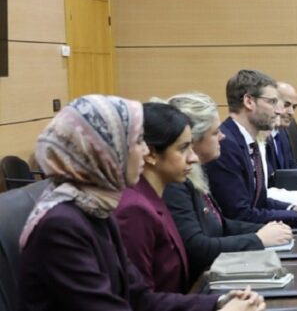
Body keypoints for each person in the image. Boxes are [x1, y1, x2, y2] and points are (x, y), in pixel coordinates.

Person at [17, 95, 263, 311]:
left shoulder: (97, 207)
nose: (145, 151)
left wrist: (218, 302)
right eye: (136, 142)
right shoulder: (62, 225)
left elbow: (140, 299)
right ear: (103, 150)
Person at [162, 92, 293, 286]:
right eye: (215, 133)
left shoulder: (193, 174)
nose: (223, 136)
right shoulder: (175, 184)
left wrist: (266, 229)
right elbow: (197, 247)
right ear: (194, 140)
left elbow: (220, 224)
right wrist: (257, 239)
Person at [205, 70, 297, 227]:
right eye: (272, 102)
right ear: (249, 101)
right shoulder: (226, 144)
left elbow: (259, 200)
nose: (279, 110)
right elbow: (239, 214)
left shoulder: (247, 141)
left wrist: (293, 208)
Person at [113, 103, 198, 293]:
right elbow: (141, 300)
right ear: (151, 154)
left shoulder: (153, 196)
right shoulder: (134, 210)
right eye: (183, 148)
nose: (193, 158)